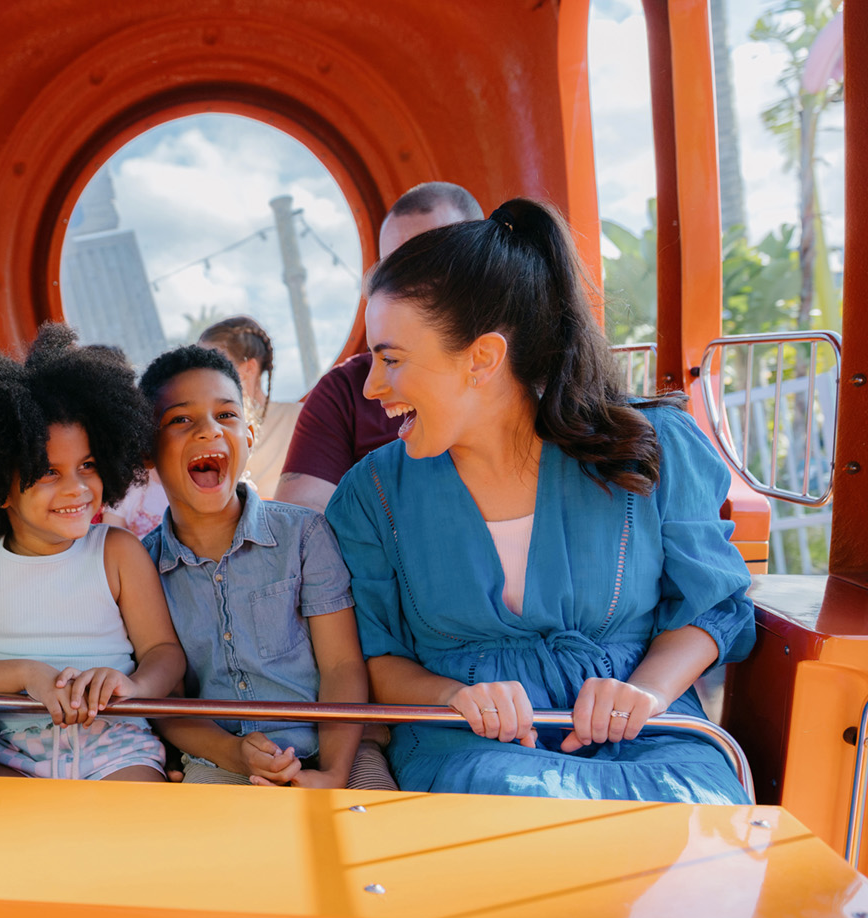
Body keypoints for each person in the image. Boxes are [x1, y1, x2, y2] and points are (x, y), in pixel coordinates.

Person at [324, 198, 755, 803]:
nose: (371, 386)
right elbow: (377, 654)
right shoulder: (370, 497)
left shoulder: (658, 449)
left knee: (692, 821)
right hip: (473, 744)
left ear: (482, 358)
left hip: (651, 735)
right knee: (511, 807)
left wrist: (647, 693)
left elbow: (713, 609)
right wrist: (452, 696)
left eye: (390, 359)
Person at [0, 326, 185, 782]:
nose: (76, 488)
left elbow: (164, 651)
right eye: (47, 472)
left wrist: (133, 686)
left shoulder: (117, 551)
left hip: (117, 744)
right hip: (11, 752)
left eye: (88, 466)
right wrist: (27, 675)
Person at [138, 345, 395, 789]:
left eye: (226, 415)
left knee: (377, 833)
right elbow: (167, 702)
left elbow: (341, 668)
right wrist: (236, 755)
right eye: (181, 419)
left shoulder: (305, 536)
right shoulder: (142, 565)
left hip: (339, 749)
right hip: (219, 759)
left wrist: (332, 774)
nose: (208, 431)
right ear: (148, 452)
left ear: (250, 435)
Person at [276, 181, 484, 512]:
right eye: (394, 270)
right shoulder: (344, 392)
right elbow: (300, 529)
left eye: (432, 265)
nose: (409, 288)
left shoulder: (527, 380)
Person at [196, 316, 298, 499]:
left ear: (250, 368)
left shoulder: (299, 419)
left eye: (214, 365)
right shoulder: (203, 432)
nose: (202, 375)